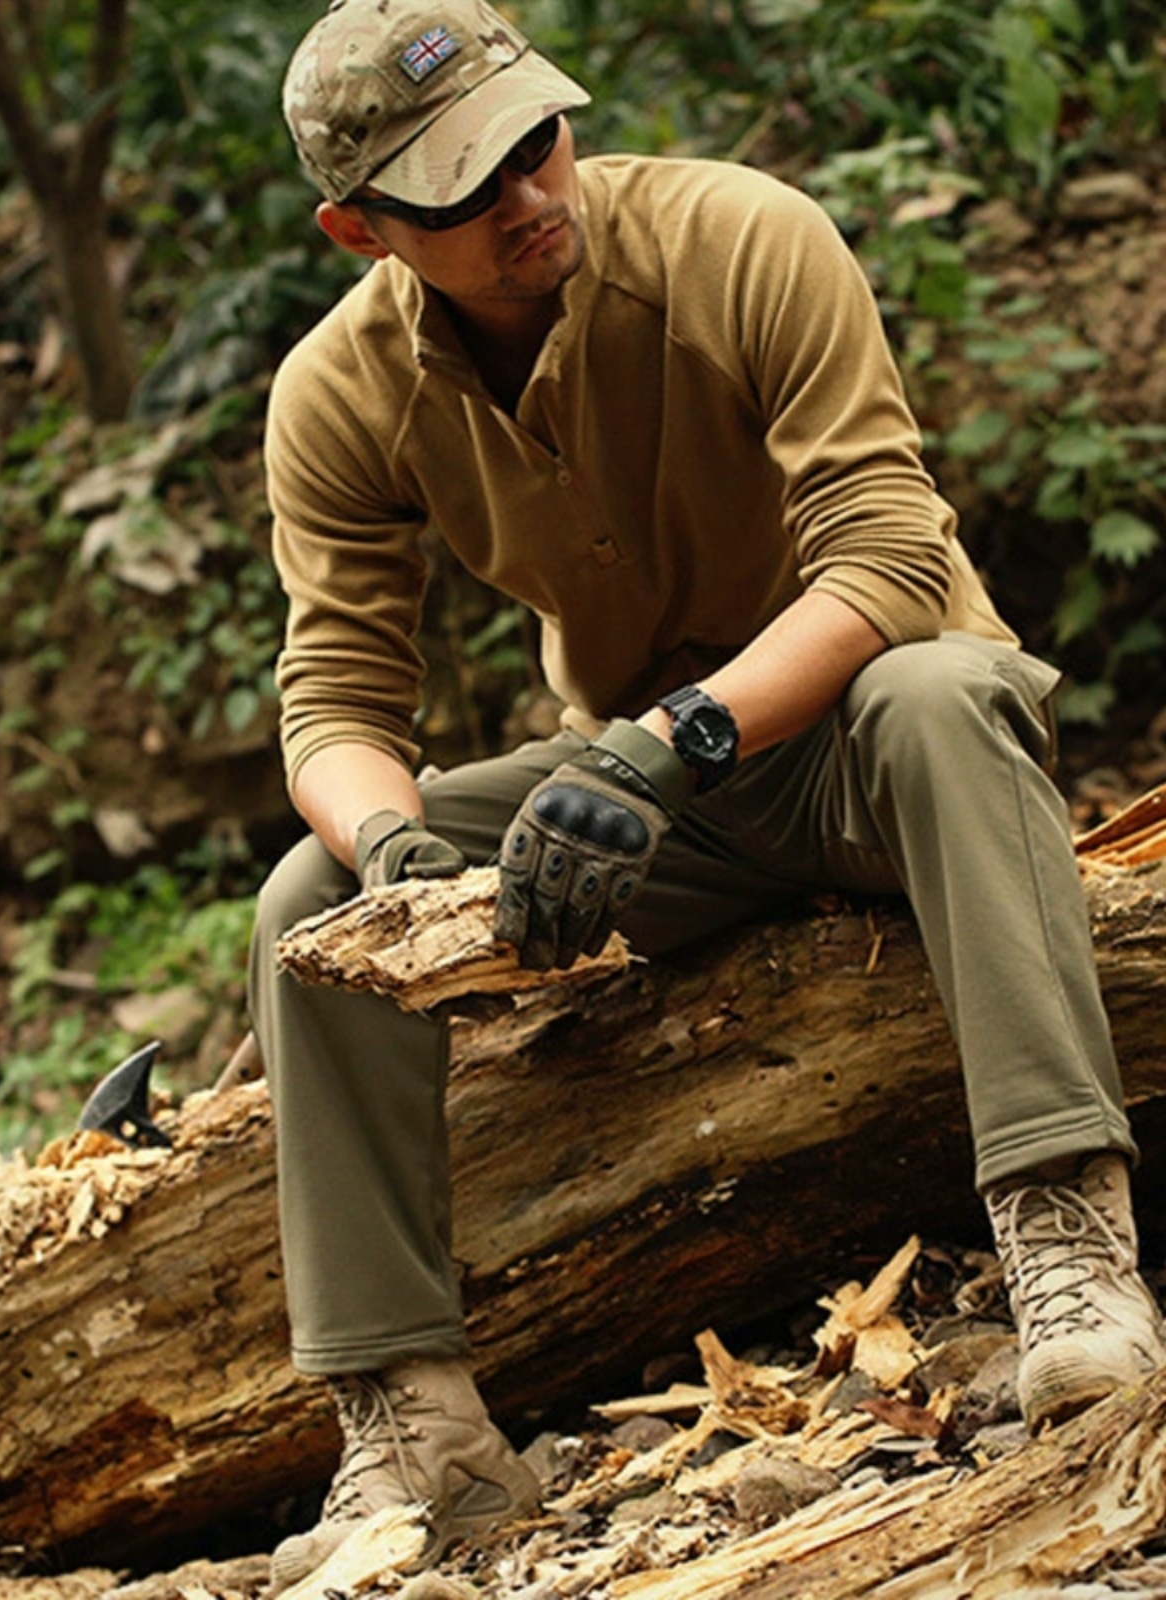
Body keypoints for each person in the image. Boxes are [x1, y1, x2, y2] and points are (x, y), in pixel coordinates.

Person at [251, 0, 1166, 1587]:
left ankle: (1069, 1241)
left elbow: (886, 552)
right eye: (467, 189)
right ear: (361, 230)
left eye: (537, 139)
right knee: (310, 901)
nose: (532, 194)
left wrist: (659, 747)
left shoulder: (741, 236)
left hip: (868, 738)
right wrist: (399, 849)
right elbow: (334, 698)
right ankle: (415, 1420)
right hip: (648, 802)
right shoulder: (337, 396)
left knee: (949, 693)